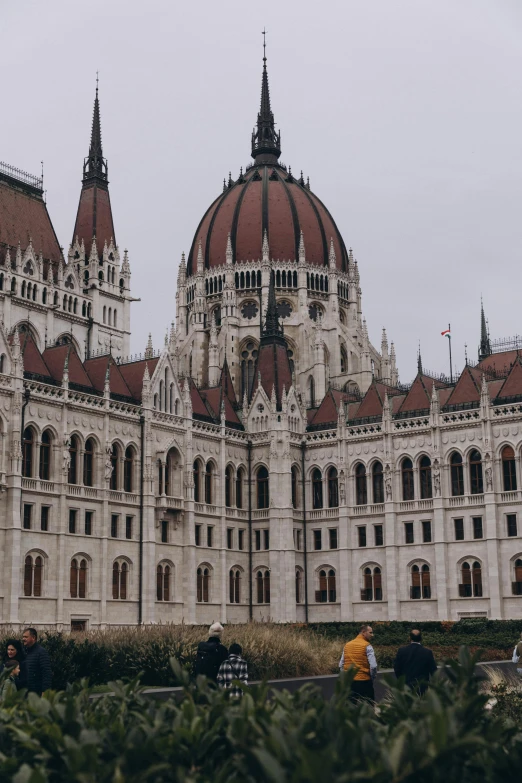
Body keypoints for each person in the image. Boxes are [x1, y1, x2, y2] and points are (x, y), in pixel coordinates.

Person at [339, 624, 377, 703]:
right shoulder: (367, 646)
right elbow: (373, 666)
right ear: (363, 632)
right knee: (369, 707)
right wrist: (372, 678)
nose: (372, 635)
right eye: (370, 633)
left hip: (350, 682)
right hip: (364, 681)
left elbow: (341, 664)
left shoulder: (347, 645)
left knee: (351, 708)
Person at [393, 629, 437, 695]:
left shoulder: (402, 651)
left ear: (409, 638)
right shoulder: (427, 652)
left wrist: (401, 681)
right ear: (421, 638)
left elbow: (397, 668)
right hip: (422, 686)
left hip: (406, 685)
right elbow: (433, 670)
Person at [18, 628, 52, 696]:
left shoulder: (41, 652)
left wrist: (44, 692)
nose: (23, 639)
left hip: (37, 694)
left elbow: (46, 673)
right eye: (23, 637)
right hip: (25, 694)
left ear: (33, 637)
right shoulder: (24, 652)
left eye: (26, 637)